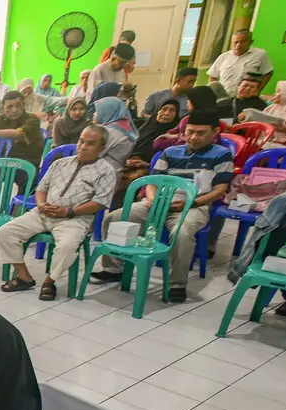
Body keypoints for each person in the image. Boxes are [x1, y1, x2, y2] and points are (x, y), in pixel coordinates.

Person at [91, 110, 233, 303]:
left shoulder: (222, 155)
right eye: (190, 132)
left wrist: (190, 203)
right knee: (114, 218)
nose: (194, 137)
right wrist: (151, 199)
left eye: (201, 133)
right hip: (159, 201)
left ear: (214, 132)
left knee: (182, 233)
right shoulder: (170, 152)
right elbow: (152, 182)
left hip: (192, 205)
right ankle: (114, 268)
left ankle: (177, 284)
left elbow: (220, 189)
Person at [0, 126, 116, 301]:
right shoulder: (60, 163)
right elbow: (41, 189)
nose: (83, 146)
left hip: (75, 219)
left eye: (90, 144)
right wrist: (41, 204)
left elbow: (100, 203)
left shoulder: (106, 171)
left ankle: (50, 281)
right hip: (43, 213)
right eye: (81, 141)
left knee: (67, 246)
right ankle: (24, 277)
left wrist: (68, 211)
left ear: (102, 147)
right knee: (5, 233)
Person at [0, 91, 45, 193]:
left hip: (24, 164)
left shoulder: (32, 119)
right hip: (2, 163)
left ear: (23, 105)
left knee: (30, 178)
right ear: (3, 109)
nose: (14, 110)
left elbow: (18, 134)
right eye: (9, 107)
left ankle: (19, 208)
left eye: (18, 105)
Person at [208, 29, 274, 95]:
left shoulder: (260, 55)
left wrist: (258, 90)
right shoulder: (224, 57)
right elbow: (212, 76)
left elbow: (268, 72)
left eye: (242, 42)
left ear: (250, 42)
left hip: (245, 99)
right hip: (222, 98)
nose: (238, 45)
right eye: (235, 42)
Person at [93, 97, 139, 171]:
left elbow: (91, 156)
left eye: (97, 111)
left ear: (107, 112)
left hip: (101, 174)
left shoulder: (108, 132)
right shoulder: (124, 128)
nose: (94, 114)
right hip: (115, 171)